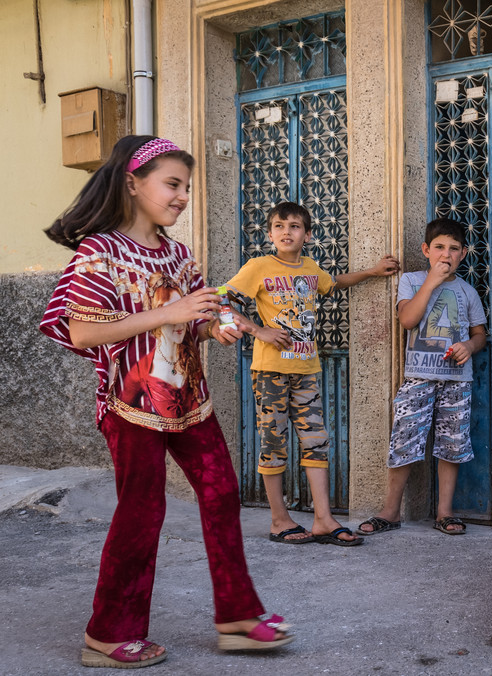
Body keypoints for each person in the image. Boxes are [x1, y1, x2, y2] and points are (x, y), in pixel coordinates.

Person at [41, 135, 292, 669]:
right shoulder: (101, 249)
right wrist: (171, 314)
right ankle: (108, 634)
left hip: (189, 398)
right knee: (143, 510)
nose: (181, 197)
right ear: (133, 183)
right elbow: (83, 331)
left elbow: (199, 314)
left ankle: (237, 617)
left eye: (186, 187)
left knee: (222, 493)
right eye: (172, 184)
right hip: (131, 403)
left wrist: (214, 326)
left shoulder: (178, 252)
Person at [225, 201, 398, 547]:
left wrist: (373, 271)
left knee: (316, 443)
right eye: (279, 226)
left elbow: (333, 284)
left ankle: (322, 519)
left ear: (307, 234)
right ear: (270, 233)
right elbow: (221, 301)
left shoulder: (309, 267)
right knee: (273, 445)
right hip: (271, 371)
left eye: (294, 226)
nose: (286, 232)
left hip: (306, 371)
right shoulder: (258, 266)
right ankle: (279, 519)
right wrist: (260, 331)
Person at [356, 218, 486, 537]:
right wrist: (432, 281)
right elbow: (408, 320)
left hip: (457, 380)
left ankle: (444, 513)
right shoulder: (412, 281)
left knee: (451, 445)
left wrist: (469, 345)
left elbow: (480, 334)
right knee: (404, 439)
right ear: (426, 250)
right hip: (418, 377)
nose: (446, 255)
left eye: (454, 249)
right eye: (439, 247)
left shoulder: (467, 291)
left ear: (464, 254)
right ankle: (390, 511)